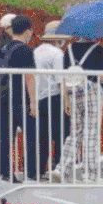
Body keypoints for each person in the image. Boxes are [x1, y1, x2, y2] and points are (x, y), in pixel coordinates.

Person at [53, 36, 103, 182]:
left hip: (72, 92)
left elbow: (64, 77)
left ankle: (62, 169)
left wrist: (65, 100)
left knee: (74, 133)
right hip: (92, 92)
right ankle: (90, 175)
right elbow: (102, 78)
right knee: (91, 133)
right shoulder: (98, 49)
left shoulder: (69, 50)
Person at [0, 15, 40, 181]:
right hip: (20, 98)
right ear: (28, 31)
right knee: (31, 135)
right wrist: (33, 102)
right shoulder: (25, 50)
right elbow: (29, 77)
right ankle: (31, 173)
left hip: (3, 97)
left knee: (6, 137)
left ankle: (5, 173)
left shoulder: (3, 48)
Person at [34, 21, 70, 175]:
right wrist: (67, 101)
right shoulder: (57, 54)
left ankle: (39, 170)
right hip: (55, 97)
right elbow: (60, 80)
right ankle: (59, 169)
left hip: (39, 98)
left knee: (43, 137)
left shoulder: (35, 51)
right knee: (62, 134)